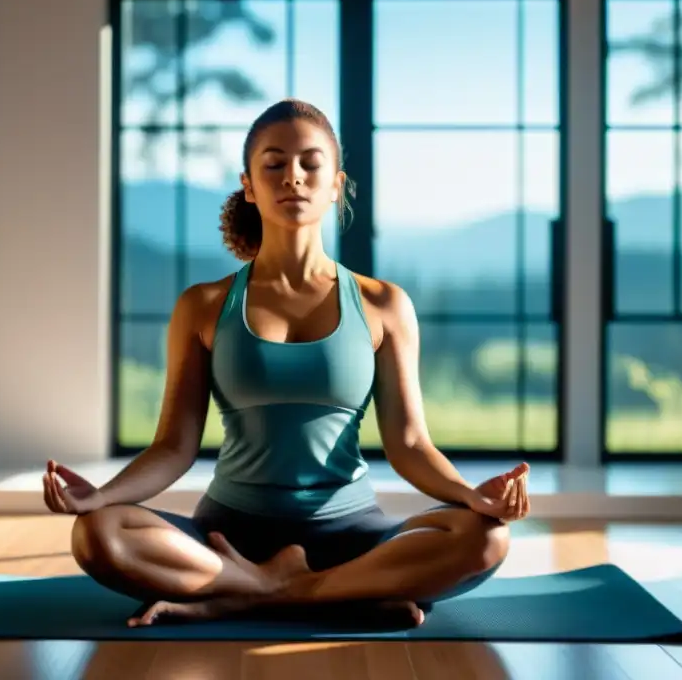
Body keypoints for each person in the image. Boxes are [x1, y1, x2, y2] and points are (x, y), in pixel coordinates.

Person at [43, 98, 531, 628]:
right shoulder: (203, 306)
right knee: (97, 534)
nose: (292, 177)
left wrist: (470, 496)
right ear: (249, 186)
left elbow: (410, 444)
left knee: (484, 538)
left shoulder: (384, 305)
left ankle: (250, 594)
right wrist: (101, 495)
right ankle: (331, 594)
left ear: (335, 184)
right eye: (273, 164)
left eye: (309, 164)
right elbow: (174, 446)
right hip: (227, 536)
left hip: (350, 534)